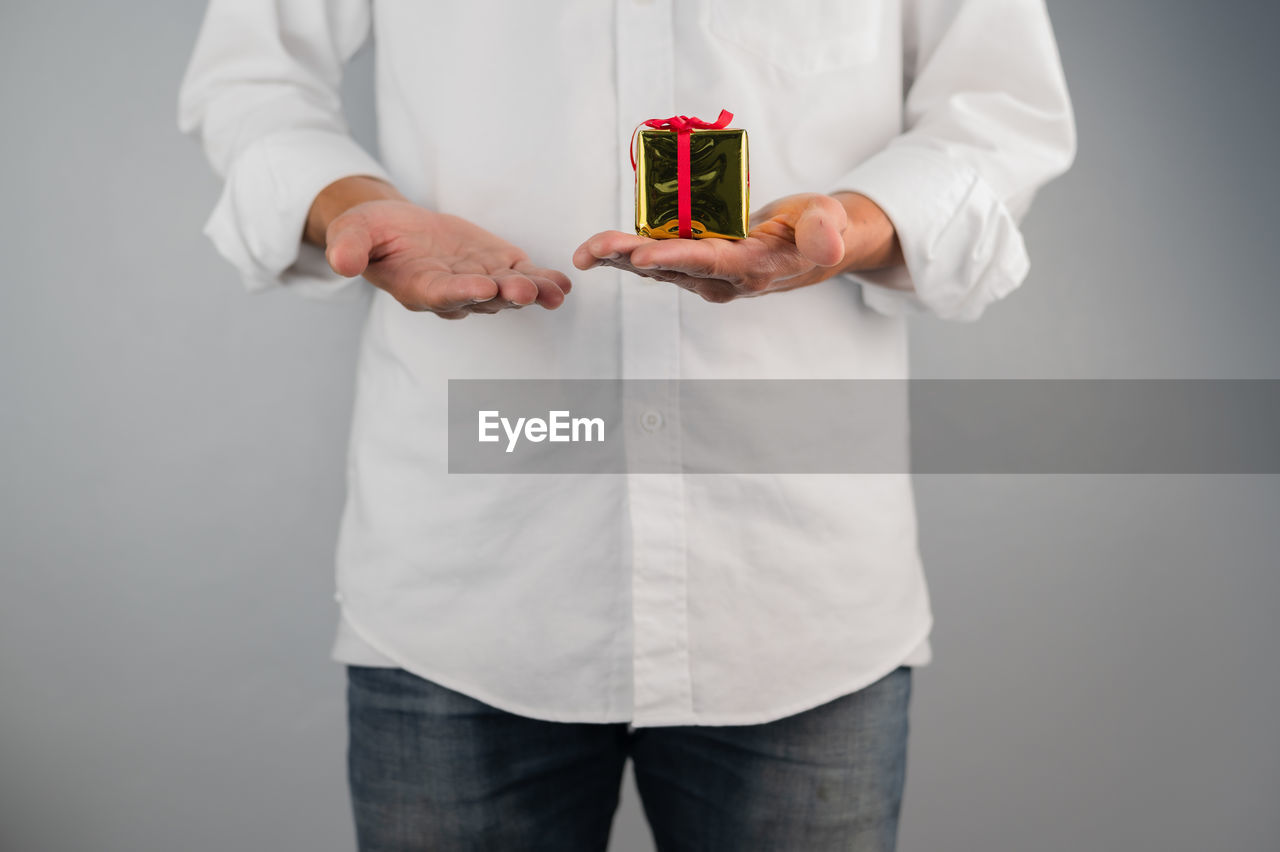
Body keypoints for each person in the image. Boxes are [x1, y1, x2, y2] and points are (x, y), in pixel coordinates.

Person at [179, 1, 1075, 849]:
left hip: (797, 588)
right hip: (465, 585)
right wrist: (343, 201)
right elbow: (250, 78)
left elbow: (999, 112)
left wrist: (866, 223)